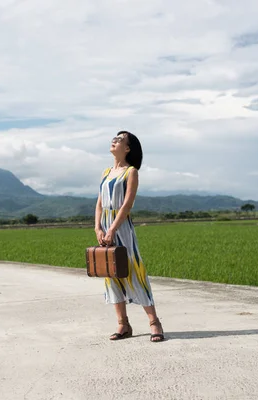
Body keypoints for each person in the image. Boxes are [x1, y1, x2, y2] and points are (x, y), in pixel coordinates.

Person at [94, 130, 165, 343]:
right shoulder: (106, 172)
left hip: (121, 225)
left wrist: (113, 229)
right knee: (111, 271)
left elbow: (127, 204)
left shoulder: (131, 172)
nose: (114, 140)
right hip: (105, 225)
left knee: (134, 270)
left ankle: (154, 322)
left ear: (127, 149)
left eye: (120, 139)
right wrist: (97, 228)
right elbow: (99, 203)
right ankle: (123, 324)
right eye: (114, 138)